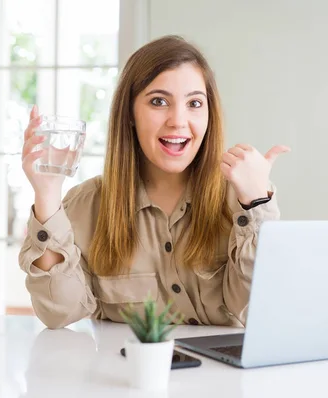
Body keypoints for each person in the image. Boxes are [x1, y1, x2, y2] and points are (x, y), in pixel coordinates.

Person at [18, 35, 289, 329]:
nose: (177, 120)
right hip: (125, 373)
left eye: (194, 103)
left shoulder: (241, 198)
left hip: (226, 376)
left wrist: (256, 202)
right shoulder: (87, 204)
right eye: (159, 101)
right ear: (130, 114)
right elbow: (59, 312)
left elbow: (257, 309)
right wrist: (46, 193)